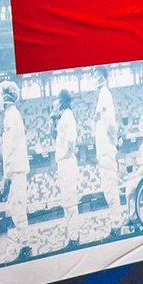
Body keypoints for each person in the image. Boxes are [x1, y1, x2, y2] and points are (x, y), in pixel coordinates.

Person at [0, 80, 33, 262]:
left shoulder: (11, 115)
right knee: (15, 208)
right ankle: (24, 245)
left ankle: (26, 247)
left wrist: (6, 177)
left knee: (17, 208)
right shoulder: (11, 115)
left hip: (15, 170)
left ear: (6, 95)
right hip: (15, 169)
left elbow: (9, 148)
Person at [93, 65, 123, 233]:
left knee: (110, 185)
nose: (96, 79)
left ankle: (116, 223)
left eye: (99, 75)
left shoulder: (105, 95)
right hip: (102, 148)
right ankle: (115, 221)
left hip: (107, 147)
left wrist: (113, 141)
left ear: (104, 77)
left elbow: (110, 123)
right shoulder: (101, 96)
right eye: (95, 76)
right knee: (107, 186)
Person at [53, 89, 82, 246]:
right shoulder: (63, 116)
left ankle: (74, 237)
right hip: (64, 160)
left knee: (70, 201)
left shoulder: (67, 115)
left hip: (67, 160)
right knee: (67, 200)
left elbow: (70, 140)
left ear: (62, 100)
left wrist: (69, 151)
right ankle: (72, 235)